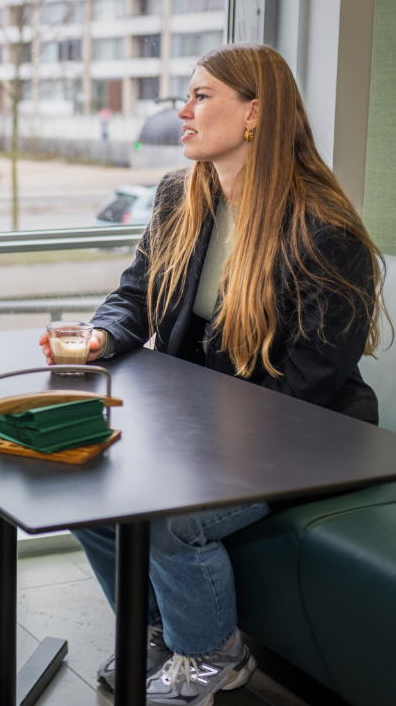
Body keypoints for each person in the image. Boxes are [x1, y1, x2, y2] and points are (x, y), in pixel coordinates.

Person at [40, 43, 387, 706]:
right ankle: (156, 632)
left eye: (201, 96)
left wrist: (200, 451)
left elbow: (312, 381)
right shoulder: (180, 195)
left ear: (255, 113)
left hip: (308, 436)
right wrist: (101, 334)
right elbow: (135, 293)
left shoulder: (324, 229)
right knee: (81, 479)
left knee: (173, 516)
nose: (183, 111)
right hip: (201, 426)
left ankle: (214, 658)